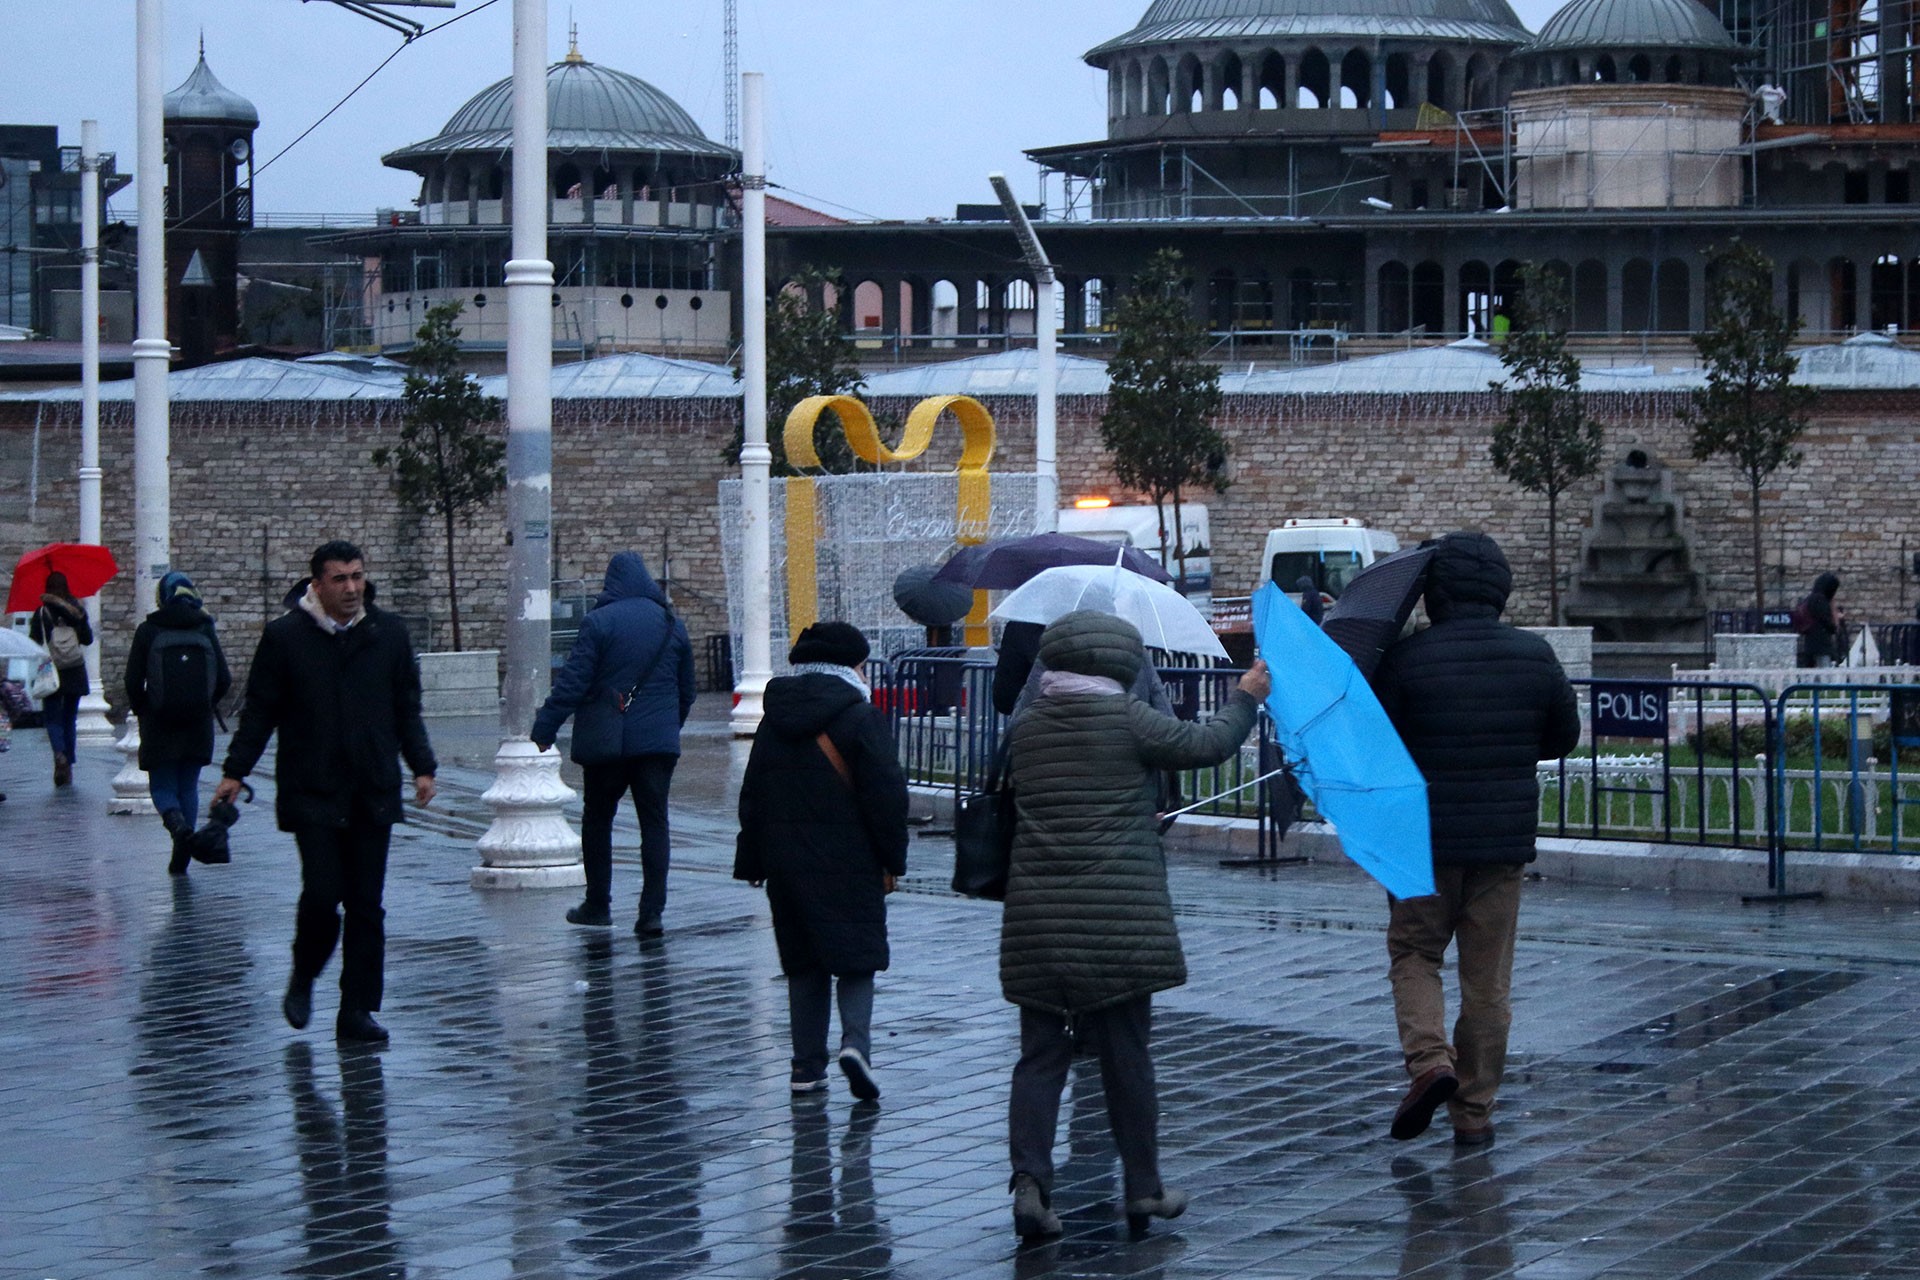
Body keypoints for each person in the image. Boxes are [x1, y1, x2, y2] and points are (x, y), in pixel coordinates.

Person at [1001, 611, 1269, 1239]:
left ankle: (1031, 1186)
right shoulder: (1126, 717)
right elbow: (1207, 746)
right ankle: (1143, 1188)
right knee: (1127, 1057)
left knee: (1040, 1056)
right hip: (1117, 917)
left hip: (1038, 918)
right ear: (1122, 660)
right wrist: (1245, 697)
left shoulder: (1029, 725)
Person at [1371, 531, 1580, 1149]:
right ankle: (1475, 1114)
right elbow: (1562, 737)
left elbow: (1381, 743)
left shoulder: (1406, 659)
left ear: (1433, 592)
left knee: (1416, 953)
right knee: (1488, 982)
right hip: (1502, 844)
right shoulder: (1534, 655)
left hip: (1421, 841)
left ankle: (1431, 1062)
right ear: (1500, 590)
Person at [215, 541, 437, 1045]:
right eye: (339, 579)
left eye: (357, 576)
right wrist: (235, 771)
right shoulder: (285, 638)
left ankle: (356, 1010)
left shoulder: (389, 634)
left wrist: (422, 766)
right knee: (322, 894)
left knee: (366, 906)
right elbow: (260, 711)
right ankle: (304, 972)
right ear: (316, 584)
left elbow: (407, 708)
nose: (351, 588)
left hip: (372, 787)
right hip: (312, 787)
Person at [734, 621, 908, 1100]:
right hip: (850, 859)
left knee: (803, 963)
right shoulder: (859, 717)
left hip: (786, 864)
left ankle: (806, 1069)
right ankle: (855, 1046)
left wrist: (752, 860)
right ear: (853, 665)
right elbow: (886, 795)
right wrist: (892, 858)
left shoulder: (775, 717)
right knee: (856, 958)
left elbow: (755, 793)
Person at [531, 551, 695, 936]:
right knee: (654, 823)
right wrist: (669, 728)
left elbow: (574, 680)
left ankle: (598, 904)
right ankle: (651, 913)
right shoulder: (673, 624)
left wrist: (545, 727)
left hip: (607, 746)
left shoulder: (598, 622)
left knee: (598, 819)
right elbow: (687, 691)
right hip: (657, 746)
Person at [124, 571, 232, 874]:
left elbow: (132, 679)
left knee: (162, 786)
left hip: (160, 721)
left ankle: (178, 830)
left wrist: (143, 708)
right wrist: (206, 704)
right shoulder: (204, 627)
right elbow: (224, 678)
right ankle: (181, 851)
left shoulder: (149, 630)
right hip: (198, 722)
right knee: (188, 786)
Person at [29, 570, 92, 787]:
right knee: (69, 718)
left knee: (52, 717)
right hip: (74, 669)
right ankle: (70, 763)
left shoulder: (41, 612)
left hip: (51, 669)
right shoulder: (77, 610)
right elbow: (88, 639)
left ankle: (59, 756)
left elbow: (34, 641)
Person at [1796, 572, 1843, 668]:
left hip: (1810, 643)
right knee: (1824, 673)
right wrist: (1835, 616)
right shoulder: (1820, 600)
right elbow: (1830, 624)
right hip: (1821, 645)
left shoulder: (1811, 598)